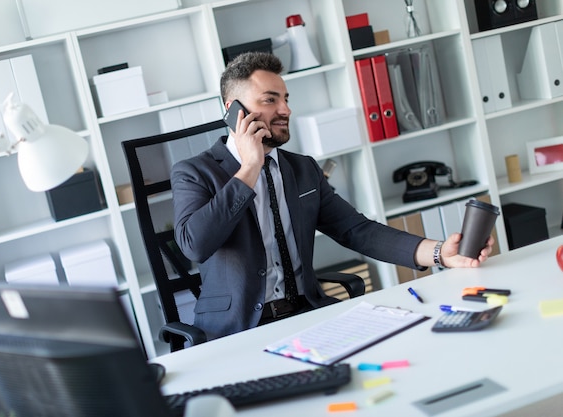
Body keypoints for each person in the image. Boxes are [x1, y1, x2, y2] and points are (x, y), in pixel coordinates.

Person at [171, 52, 494, 341]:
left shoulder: (302, 170)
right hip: (237, 330)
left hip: (308, 314)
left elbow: (357, 230)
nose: (286, 109)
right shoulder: (194, 172)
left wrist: (440, 253)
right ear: (234, 111)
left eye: (285, 98)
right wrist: (250, 168)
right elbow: (195, 244)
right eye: (270, 100)